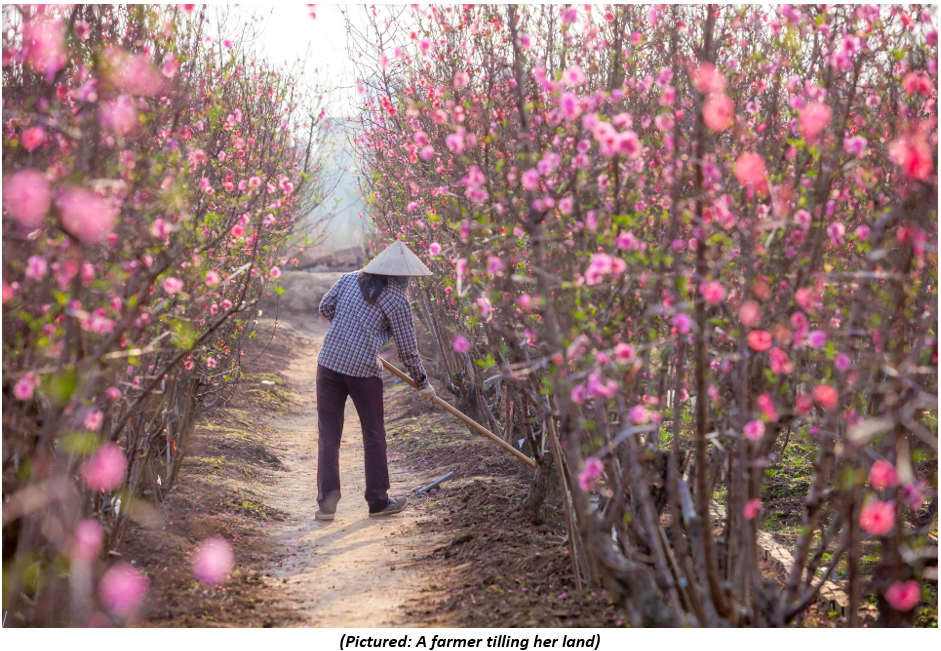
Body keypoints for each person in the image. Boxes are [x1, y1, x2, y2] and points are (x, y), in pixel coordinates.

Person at [314, 241, 437, 521]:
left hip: (328, 362)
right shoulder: (397, 299)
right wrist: (422, 383)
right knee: (374, 435)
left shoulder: (348, 279)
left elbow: (325, 306)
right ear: (398, 274)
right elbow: (407, 349)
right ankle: (379, 502)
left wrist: (348, 332)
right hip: (363, 371)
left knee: (329, 436)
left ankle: (326, 506)